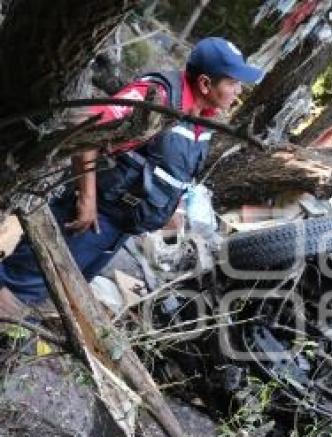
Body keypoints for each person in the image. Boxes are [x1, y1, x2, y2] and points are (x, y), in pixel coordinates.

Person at [0, 37, 262, 319]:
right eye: (233, 83)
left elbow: (171, 169)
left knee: (58, 290)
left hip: (121, 225)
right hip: (91, 215)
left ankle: (13, 336)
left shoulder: (204, 118)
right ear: (206, 84)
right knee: (22, 282)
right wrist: (87, 200)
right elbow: (84, 125)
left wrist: (172, 211)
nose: (239, 90)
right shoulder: (157, 96)